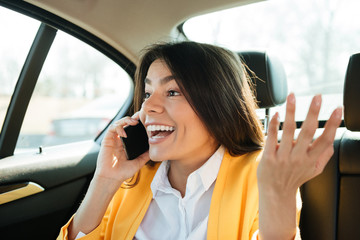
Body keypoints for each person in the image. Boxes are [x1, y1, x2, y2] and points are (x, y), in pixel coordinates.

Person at [57, 41, 342, 240]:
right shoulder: (131, 180)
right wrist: (104, 182)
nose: (148, 108)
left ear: (218, 105)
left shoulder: (262, 174)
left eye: (172, 92)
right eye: (146, 93)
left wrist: (277, 193)